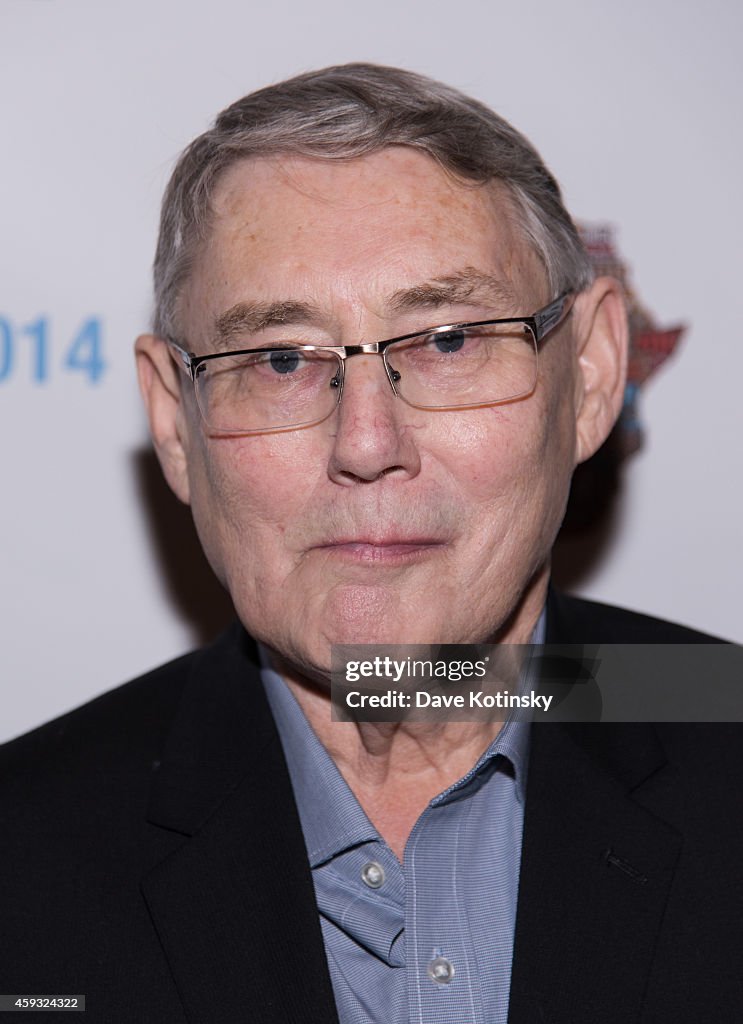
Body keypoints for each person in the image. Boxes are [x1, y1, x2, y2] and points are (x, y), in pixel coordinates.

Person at [2, 63, 742, 1023]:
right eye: (278, 359)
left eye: (445, 342)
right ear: (175, 424)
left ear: (593, 374)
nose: (365, 445)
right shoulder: (20, 860)